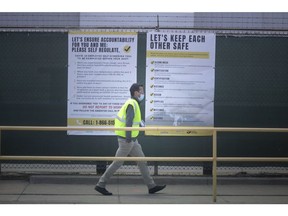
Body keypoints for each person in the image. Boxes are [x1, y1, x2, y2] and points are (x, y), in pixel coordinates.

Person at [95, 83, 166, 195]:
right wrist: (128, 138)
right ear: (136, 92)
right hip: (127, 139)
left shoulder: (134, 103)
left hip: (132, 139)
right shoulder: (132, 103)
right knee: (117, 163)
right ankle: (101, 184)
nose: (143, 93)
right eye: (141, 91)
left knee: (142, 161)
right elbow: (128, 121)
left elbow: (134, 122)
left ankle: (151, 186)